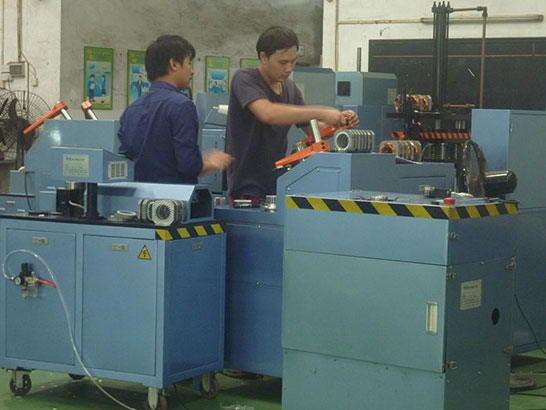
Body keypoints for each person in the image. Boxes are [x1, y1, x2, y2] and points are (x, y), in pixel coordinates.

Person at [225, 26, 359, 203]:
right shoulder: (245, 79)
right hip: (247, 191)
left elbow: (314, 130)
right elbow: (268, 113)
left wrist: (339, 123)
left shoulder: (290, 88)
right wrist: (322, 111)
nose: (289, 68)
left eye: (293, 61)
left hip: (278, 185)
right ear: (263, 57)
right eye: (282, 62)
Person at [118, 35, 232, 184]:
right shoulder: (182, 106)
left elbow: (124, 160)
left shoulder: (131, 110)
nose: (192, 71)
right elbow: (188, 166)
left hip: (138, 195)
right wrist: (213, 163)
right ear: (174, 64)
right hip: (174, 196)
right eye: (189, 63)